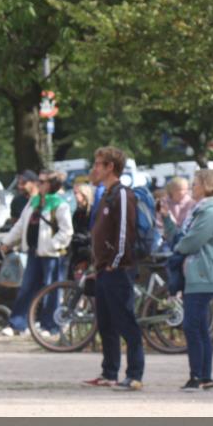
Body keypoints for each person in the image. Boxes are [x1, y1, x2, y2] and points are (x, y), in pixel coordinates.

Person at [81, 146, 145, 391]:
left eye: (98, 164)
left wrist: (114, 264)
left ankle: (135, 374)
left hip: (117, 270)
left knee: (126, 322)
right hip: (103, 269)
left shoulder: (121, 194)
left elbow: (123, 234)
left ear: (110, 167)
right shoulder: (105, 194)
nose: (93, 169)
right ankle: (109, 372)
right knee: (106, 323)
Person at [0, 170, 73, 336]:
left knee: (52, 290)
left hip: (52, 255)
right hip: (34, 252)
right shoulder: (33, 202)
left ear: (51, 185)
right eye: (38, 181)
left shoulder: (60, 204)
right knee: (26, 288)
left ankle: (51, 326)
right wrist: (6, 243)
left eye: (42, 181)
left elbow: (67, 231)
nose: (38, 184)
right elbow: (20, 226)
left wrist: (51, 245)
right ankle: (17, 324)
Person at [173, 170, 213, 391]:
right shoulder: (202, 211)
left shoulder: (210, 213)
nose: (193, 188)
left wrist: (179, 247)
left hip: (202, 275)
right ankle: (205, 376)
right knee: (200, 327)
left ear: (205, 186)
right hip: (197, 274)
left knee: (192, 326)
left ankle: (197, 376)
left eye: (195, 184)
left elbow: (192, 241)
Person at [156, 176, 193, 243]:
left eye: (186, 189)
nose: (183, 192)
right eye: (180, 189)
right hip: (167, 238)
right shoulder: (163, 202)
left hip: (186, 238)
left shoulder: (191, 202)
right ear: (171, 190)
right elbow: (158, 222)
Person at [68, 183, 94, 278]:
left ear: (84, 194)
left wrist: (84, 237)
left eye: (76, 193)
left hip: (87, 250)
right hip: (77, 250)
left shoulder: (92, 211)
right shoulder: (77, 212)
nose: (74, 196)